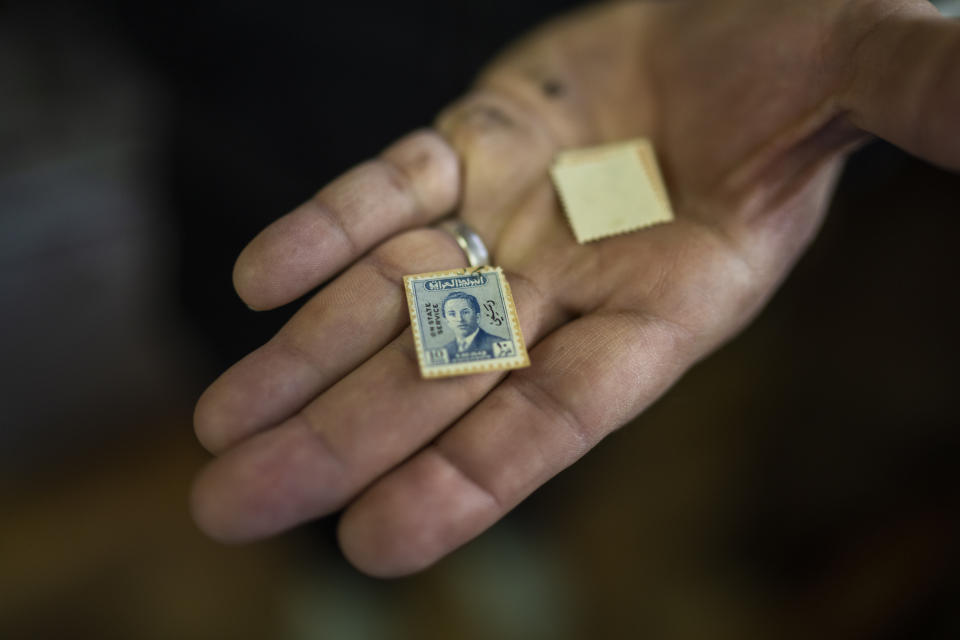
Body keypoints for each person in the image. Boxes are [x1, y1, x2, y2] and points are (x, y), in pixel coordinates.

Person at [189, 0, 960, 578]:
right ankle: (337, 575)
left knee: (553, 400)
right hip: (265, 105)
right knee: (290, 371)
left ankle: (510, 539)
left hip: (656, 71)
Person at [439, 292, 507, 361]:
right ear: (446, 321)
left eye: (465, 312)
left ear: (477, 317)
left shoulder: (499, 344)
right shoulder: (445, 350)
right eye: (452, 314)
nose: (459, 319)